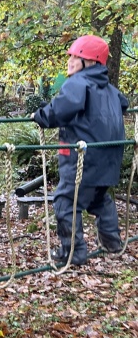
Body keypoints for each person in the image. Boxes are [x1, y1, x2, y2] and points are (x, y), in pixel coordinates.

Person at [32, 35, 129, 266]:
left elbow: (60, 110)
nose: (70, 61)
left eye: (77, 57)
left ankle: (72, 253)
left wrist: (40, 115)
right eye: (71, 56)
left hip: (83, 159)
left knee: (66, 202)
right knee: (98, 199)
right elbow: (123, 104)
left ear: (91, 61)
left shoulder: (78, 83)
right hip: (109, 159)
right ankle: (112, 242)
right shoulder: (110, 90)